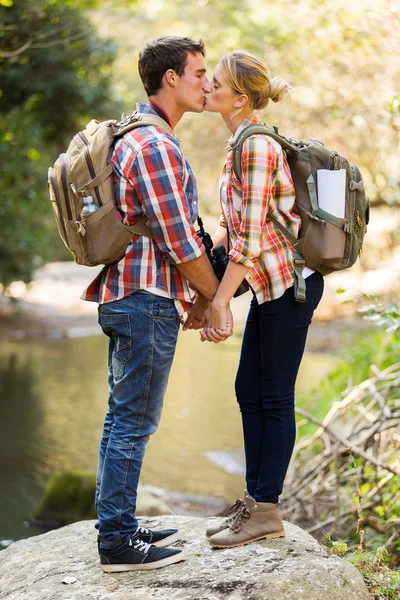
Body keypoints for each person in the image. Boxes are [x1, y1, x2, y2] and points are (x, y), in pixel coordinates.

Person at [82, 36, 231, 572]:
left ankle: (117, 523)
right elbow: (180, 241)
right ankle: (118, 543)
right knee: (133, 422)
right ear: (170, 78)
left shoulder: (142, 137)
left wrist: (196, 296)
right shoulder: (155, 146)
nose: (206, 82)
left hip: (132, 295)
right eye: (198, 72)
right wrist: (217, 300)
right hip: (143, 300)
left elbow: (172, 236)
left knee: (122, 418)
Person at [200, 50, 324, 548]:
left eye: (216, 82)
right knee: (247, 389)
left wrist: (220, 302)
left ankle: (266, 509)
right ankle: (253, 501)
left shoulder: (255, 146)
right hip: (272, 287)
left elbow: (249, 241)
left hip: (290, 288)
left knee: (272, 396)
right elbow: (234, 233)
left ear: (240, 97)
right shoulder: (239, 142)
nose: (207, 86)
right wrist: (203, 284)